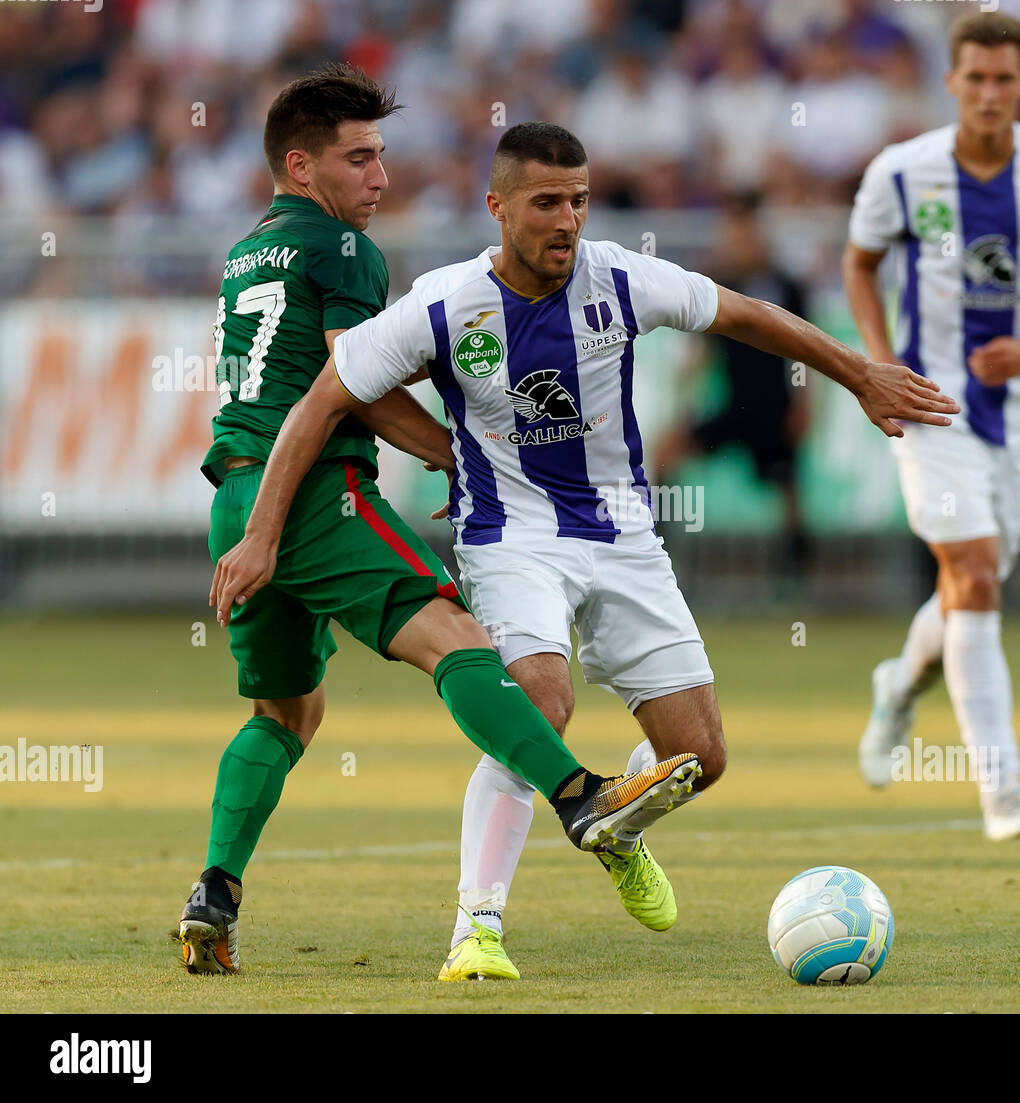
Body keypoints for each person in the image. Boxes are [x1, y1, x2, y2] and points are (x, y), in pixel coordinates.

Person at [209, 121, 959, 980]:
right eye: (545, 203)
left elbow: (748, 315)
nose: (566, 220)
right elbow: (322, 401)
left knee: (700, 757)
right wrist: (264, 529)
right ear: (497, 207)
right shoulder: (446, 304)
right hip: (509, 537)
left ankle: (619, 824)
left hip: (623, 535)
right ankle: (476, 928)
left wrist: (858, 373)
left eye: (578, 201)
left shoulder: (622, 278)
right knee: (539, 700)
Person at [178, 70, 701, 977]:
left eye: (381, 155)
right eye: (360, 157)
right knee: (455, 635)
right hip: (309, 497)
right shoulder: (344, 250)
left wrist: (254, 529)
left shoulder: (249, 249)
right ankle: (581, 796)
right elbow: (353, 383)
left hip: (234, 492)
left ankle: (213, 894)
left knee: (286, 712)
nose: (380, 176)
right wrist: (460, 451)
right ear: (301, 166)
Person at [842, 12, 1020, 840]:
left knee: (971, 585)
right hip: (932, 404)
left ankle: (897, 684)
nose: (991, 93)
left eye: (1006, 79)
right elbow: (858, 263)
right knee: (972, 570)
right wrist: (878, 367)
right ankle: (1002, 792)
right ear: (951, 83)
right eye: (977, 78)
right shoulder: (902, 171)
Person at [653, 193, 813, 573]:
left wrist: (805, 406)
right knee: (665, 456)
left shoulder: (786, 286)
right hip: (732, 406)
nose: (737, 240)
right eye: (732, 232)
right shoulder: (718, 285)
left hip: (775, 407)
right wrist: (685, 398)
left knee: (788, 494)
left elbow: (806, 350)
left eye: (744, 231)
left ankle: (793, 579)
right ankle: (658, 556)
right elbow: (703, 350)